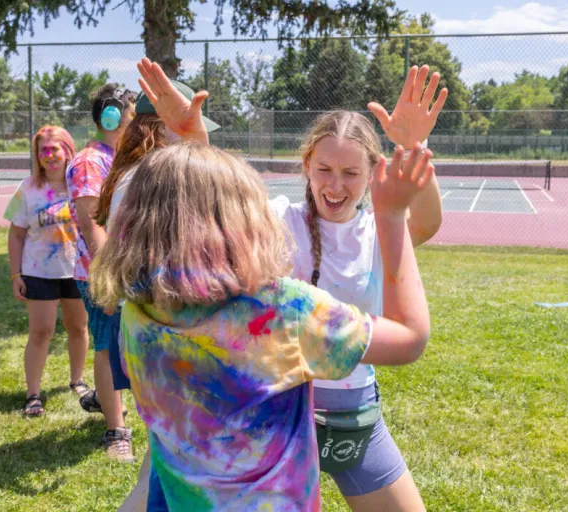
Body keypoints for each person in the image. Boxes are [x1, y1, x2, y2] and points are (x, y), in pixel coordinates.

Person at [88, 140, 433, 511]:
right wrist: (393, 216)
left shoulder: (137, 314)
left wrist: (190, 143)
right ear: (238, 220)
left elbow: (183, 196)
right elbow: (409, 338)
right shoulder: (281, 311)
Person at [269, 65, 446, 511]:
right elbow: (217, 209)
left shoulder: (379, 230)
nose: (335, 184)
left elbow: (427, 222)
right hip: (280, 408)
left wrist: (412, 145)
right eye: (324, 168)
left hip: (354, 411)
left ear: (371, 173)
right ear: (306, 163)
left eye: (350, 172)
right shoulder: (280, 220)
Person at [94, 64, 220, 510]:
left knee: (163, 458)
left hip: (148, 329)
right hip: (168, 332)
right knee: (171, 461)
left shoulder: (134, 173)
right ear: (163, 127)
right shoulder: (153, 178)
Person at [66, 83, 137, 461]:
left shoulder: (119, 157)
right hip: (103, 272)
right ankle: (116, 430)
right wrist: (111, 278)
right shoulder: (91, 161)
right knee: (108, 347)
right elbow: (90, 223)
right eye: (131, 114)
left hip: (123, 271)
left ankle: (104, 396)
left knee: (122, 344)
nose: (137, 122)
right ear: (111, 116)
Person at [4, 125, 91, 416]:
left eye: (56, 148)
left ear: (68, 150)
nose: (50, 155)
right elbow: (16, 235)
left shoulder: (83, 185)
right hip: (39, 272)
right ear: (37, 156)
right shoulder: (28, 189)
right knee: (41, 332)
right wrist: (16, 275)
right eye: (44, 150)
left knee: (78, 328)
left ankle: (77, 380)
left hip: (77, 270)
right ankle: (33, 394)